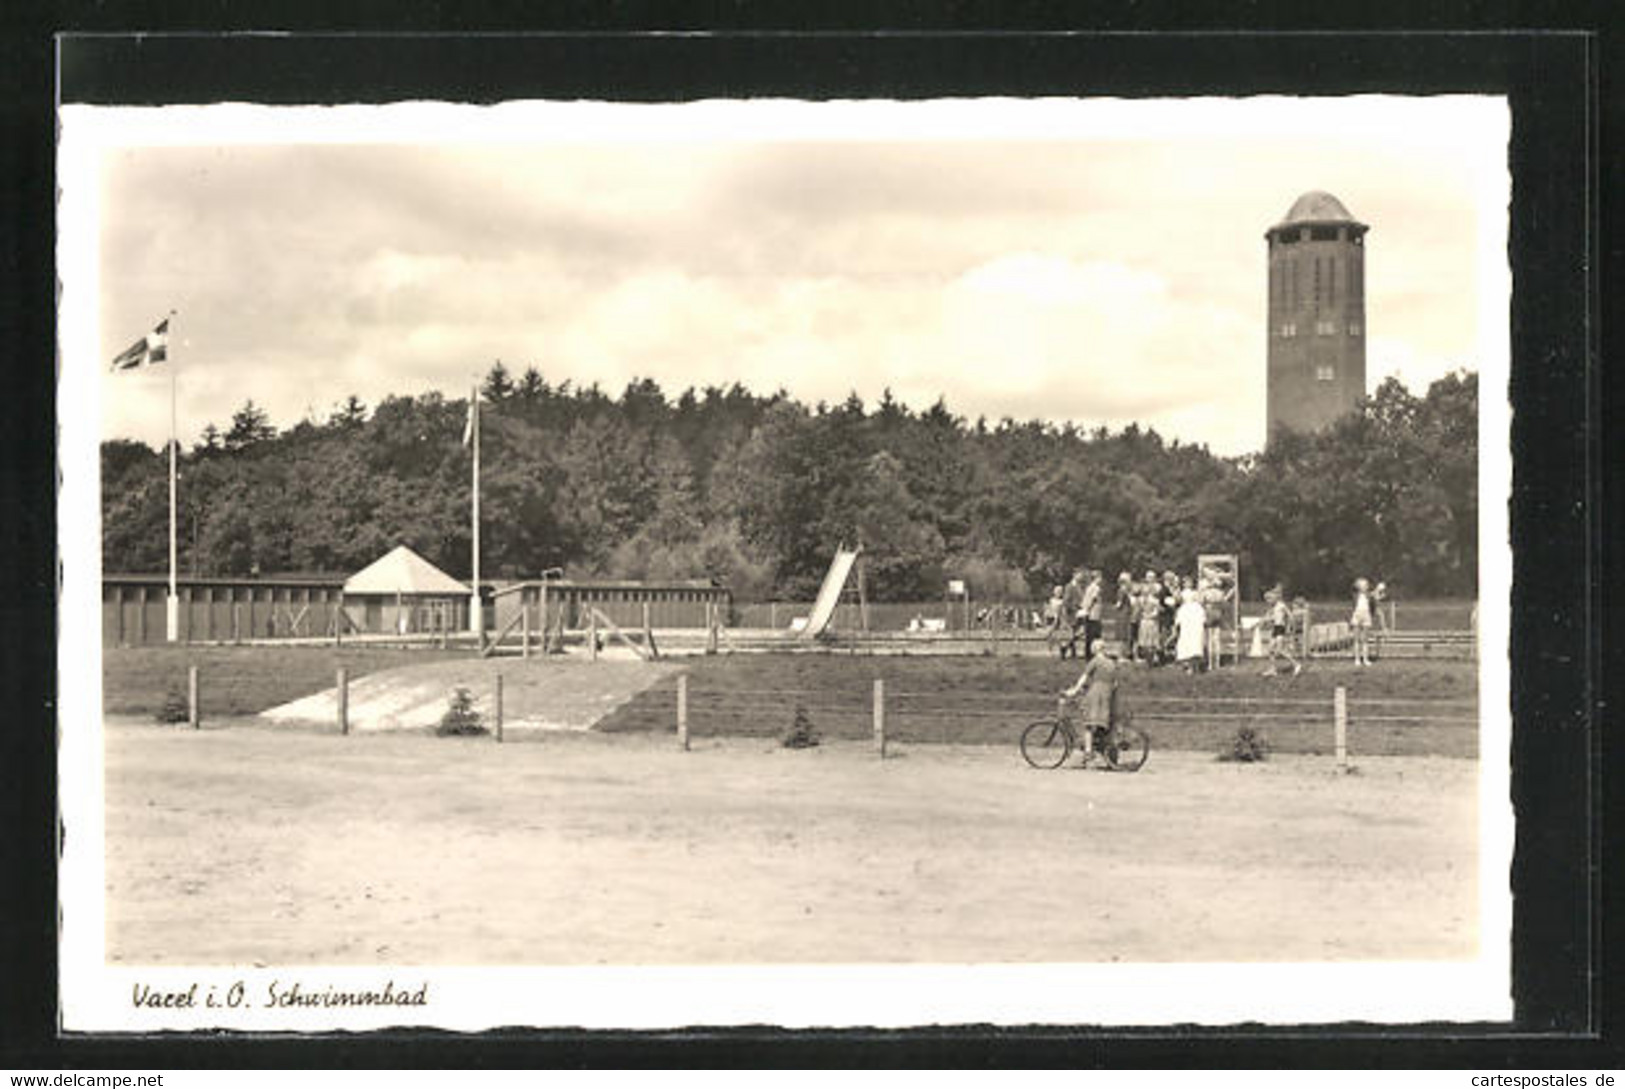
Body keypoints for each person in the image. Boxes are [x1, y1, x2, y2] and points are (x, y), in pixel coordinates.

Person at [1063, 638, 1120, 759]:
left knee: (1088, 723)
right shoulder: (1111, 663)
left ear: (1095, 649)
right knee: (1102, 724)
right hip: (1107, 695)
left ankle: (1088, 752)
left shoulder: (1095, 662)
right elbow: (1115, 684)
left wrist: (1074, 691)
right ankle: (1102, 748)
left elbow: (1084, 678)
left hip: (1095, 694)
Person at [1261, 587, 1302, 677]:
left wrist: (1290, 627)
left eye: (1269, 599)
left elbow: (1290, 616)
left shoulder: (1281, 605)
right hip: (1275, 628)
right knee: (1270, 650)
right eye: (1266, 600)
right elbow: (1268, 616)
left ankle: (1296, 664)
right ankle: (1272, 669)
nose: (1268, 601)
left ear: (1274, 598)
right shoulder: (1273, 607)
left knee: (1279, 650)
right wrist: (1264, 621)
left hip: (1281, 628)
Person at [1173, 588, 1207, 673]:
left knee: (1188, 647)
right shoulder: (1198, 607)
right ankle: (1195, 666)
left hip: (1188, 631)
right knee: (1195, 647)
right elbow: (1204, 619)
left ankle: (1190, 667)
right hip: (1196, 631)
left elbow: (1177, 621)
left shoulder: (1183, 608)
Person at [1136, 574, 1163, 665]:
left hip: (1151, 621)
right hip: (1144, 621)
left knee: (1152, 639)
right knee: (1145, 640)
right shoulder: (1141, 600)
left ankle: (1154, 657)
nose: (1145, 591)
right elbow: (1139, 610)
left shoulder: (1155, 600)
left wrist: (1150, 615)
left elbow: (1157, 611)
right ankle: (1147, 656)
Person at [1080, 570, 1105, 659]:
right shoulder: (1096, 588)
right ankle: (1094, 653)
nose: (1101, 580)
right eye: (1100, 577)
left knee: (1089, 635)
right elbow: (1093, 599)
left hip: (1089, 614)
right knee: (1095, 635)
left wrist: (1084, 610)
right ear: (1096, 578)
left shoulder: (1089, 587)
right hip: (1094, 614)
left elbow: (1085, 600)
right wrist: (1088, 609)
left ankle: (1088, 653)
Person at [1113, 571, 1137, 661]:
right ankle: (1121, 656)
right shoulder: (1122, 591)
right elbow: (1118, 604)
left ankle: (1125, 654)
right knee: (1122, 634)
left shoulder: (1125, 590)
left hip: (1126, 614)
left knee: (1126, 634)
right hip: (1123, 614)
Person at [1350, 577, 1374, 667]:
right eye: (1364, 585)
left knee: (1365, 640)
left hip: (1366, 616)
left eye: (1366, 585)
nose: (1366, 586)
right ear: (1359, 587)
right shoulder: (1355, 595)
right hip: (1357, 616)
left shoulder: (1369, 596)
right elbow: (1353, 605)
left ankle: (1365, 659)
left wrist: (1380, 589)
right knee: (1356, 639)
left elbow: (1376, 597)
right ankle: (1357, 659)